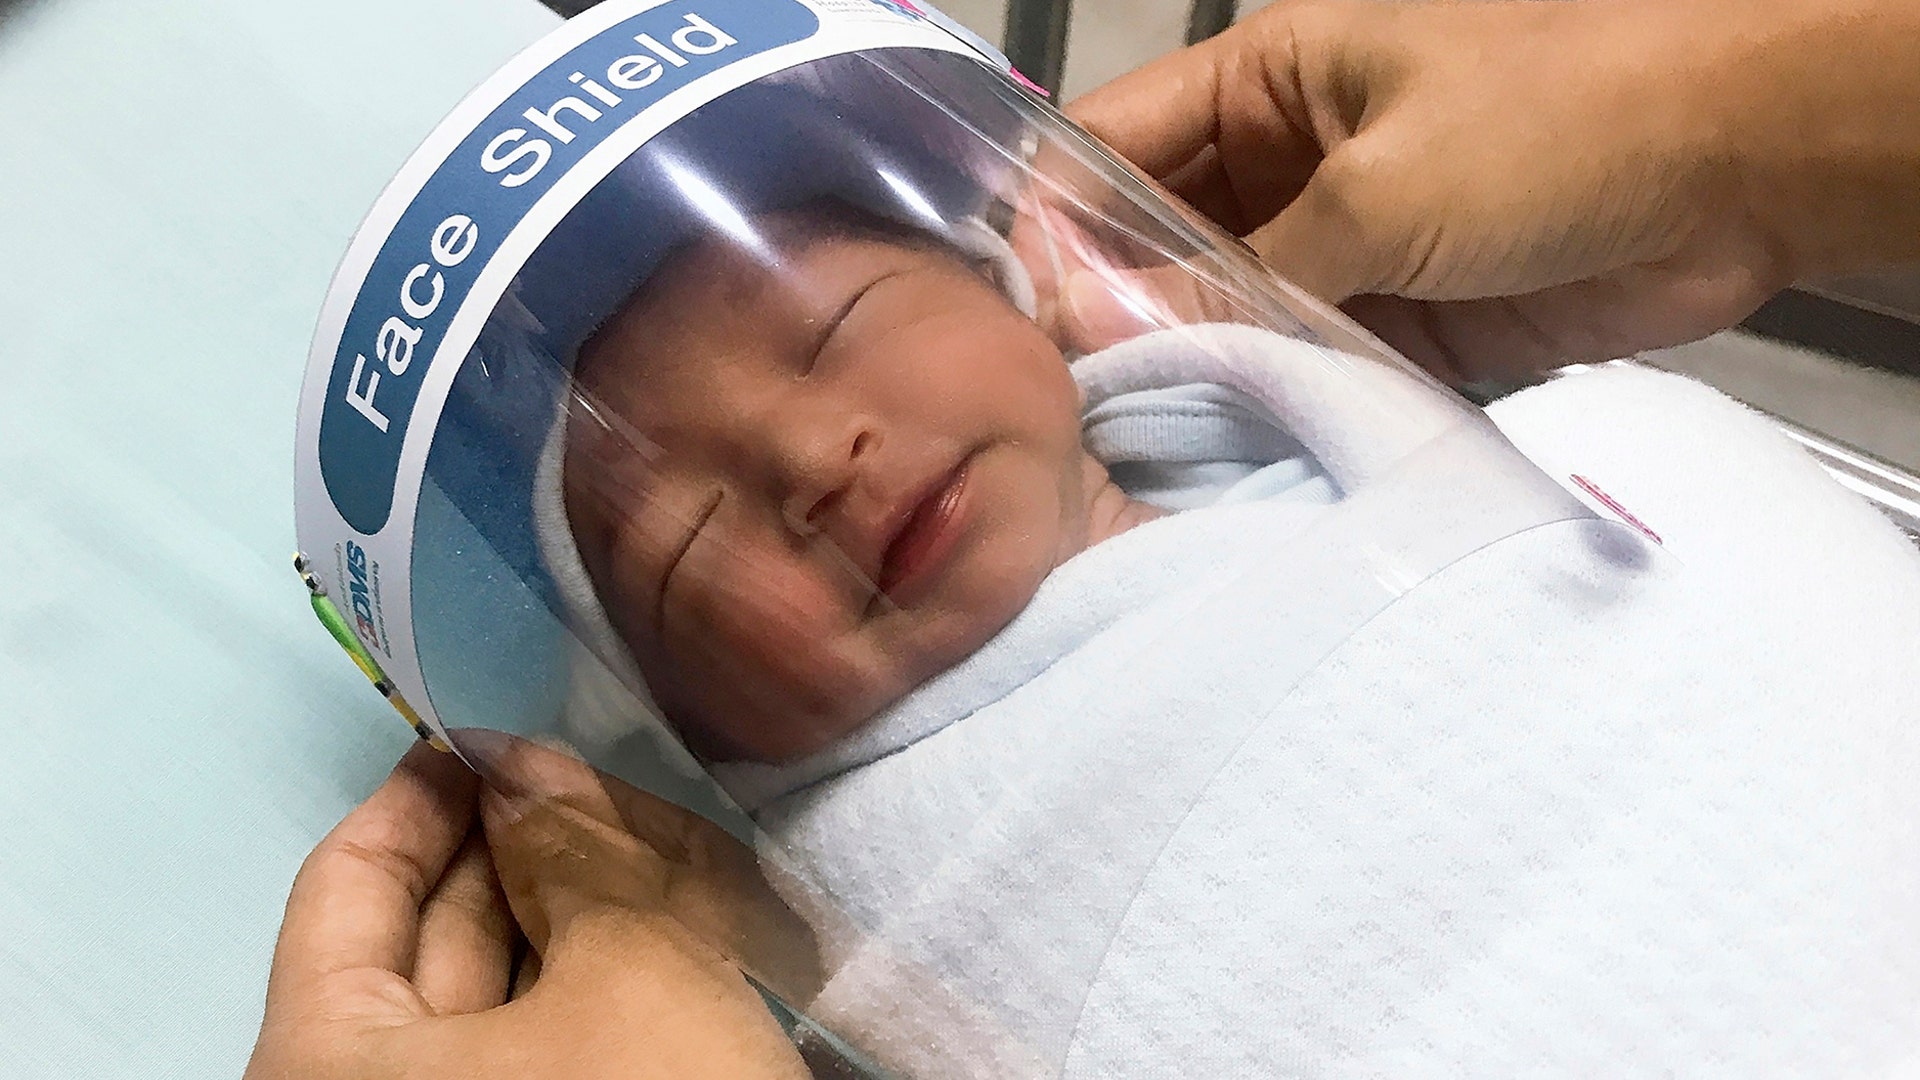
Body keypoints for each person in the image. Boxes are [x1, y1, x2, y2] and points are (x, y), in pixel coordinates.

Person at [247, 0, 1920, 1075]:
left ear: (1030, 302)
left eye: (839, 333)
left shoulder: (1381, 415)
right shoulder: (808, 890)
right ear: (708, 736)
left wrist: (1740, 133)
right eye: (684, 548)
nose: (811, 460)